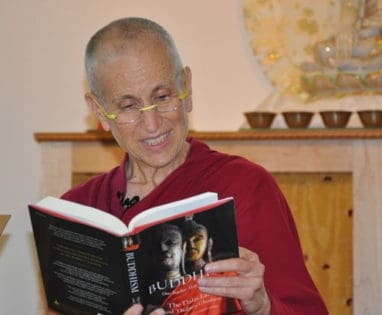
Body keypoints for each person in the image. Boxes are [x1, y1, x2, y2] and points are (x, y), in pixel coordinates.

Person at [60, 17, 328, 315]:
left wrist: (263, 306)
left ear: (186, 87)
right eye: (128, 106)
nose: (152, 124)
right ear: (99, 110)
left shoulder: (245, 187)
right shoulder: (78, 211)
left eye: (162, 97)